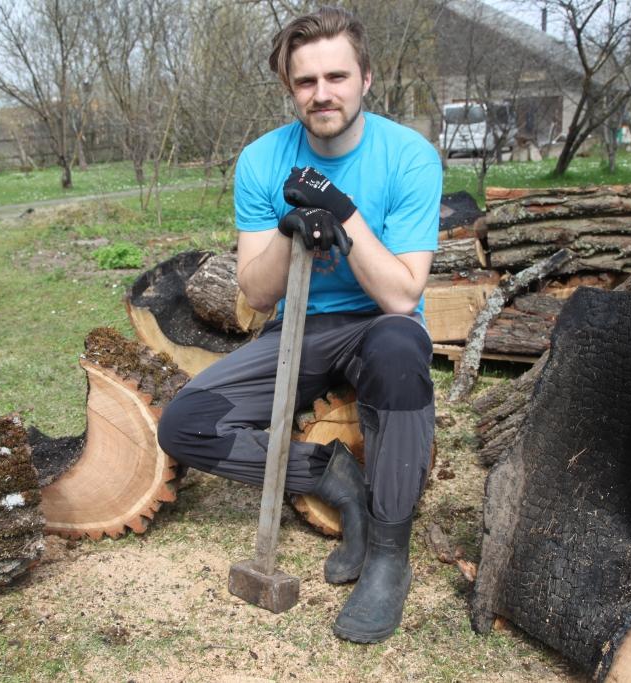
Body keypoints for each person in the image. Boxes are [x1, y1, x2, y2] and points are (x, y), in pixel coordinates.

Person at [157, 5, 440, 644]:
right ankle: (334, 477)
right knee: (184, 425)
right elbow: (255, 295)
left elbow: (400, 294)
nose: (322, 93)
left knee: (398, 350)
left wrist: (342, 210)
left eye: (337, 77)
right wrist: (290, 234)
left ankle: (389, 554)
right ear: (290, 87)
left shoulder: (410, 158)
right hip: (301, 328)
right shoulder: (262, 161)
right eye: (306, 81)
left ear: (366, 78)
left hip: (382, 327)